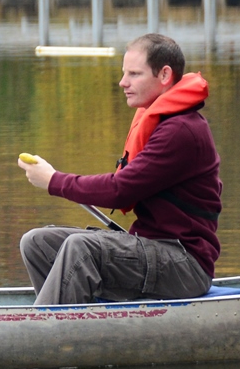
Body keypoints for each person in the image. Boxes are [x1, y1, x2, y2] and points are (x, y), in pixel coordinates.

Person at [15, 33, 221, 305]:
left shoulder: (181, 130)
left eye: (134, 74)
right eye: (124, 73)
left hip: (185, 265)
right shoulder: (165, 123)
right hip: (154, 250)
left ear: (164, 75)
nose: (123, 82)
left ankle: (45, 335)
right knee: (37, 242)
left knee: (81, 248)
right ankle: (77, 324)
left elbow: (119, 190)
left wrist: (54, 180)